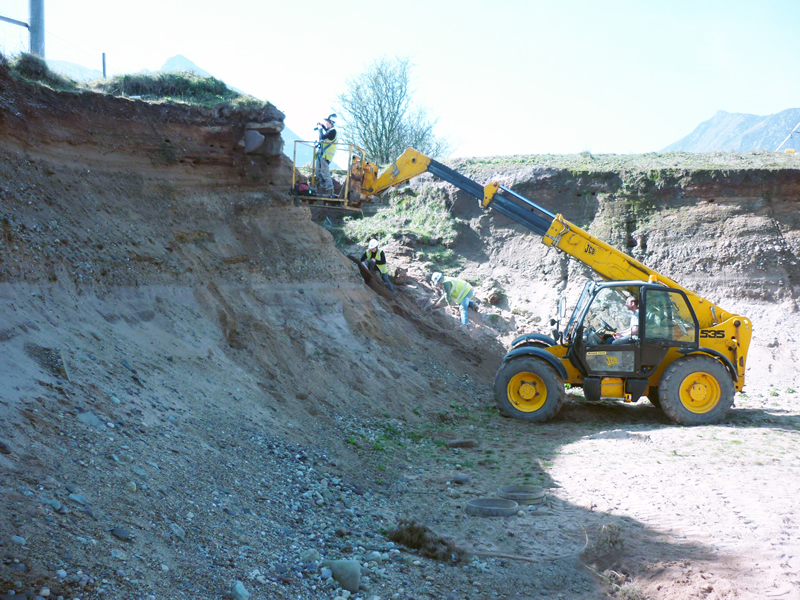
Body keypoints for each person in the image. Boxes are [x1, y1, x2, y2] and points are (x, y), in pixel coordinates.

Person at [315, 113, 337, 197]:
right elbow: (326, 132)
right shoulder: (330, 130)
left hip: (326, 155)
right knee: (318, 172)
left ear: (330, 122)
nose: (325, 123)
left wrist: (320, 129)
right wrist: (321, 126)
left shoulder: (333, 131)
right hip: (322, 154)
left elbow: (322, 136)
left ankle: (329, 190)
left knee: (324, 172)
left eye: (326, 122)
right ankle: (322, 188)